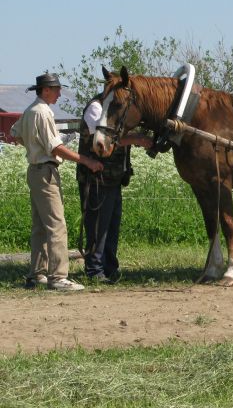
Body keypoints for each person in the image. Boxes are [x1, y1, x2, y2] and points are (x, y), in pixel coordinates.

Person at [10, 73, 103, 291]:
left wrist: (34, 147)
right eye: (57, 89)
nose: (60, 93)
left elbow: (16, 133)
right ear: (46, 90)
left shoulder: (30, 110)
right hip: (46, 171)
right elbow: (54, 148)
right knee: (56, 225)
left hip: (34, 170)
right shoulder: (43, 112)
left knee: (40, 225)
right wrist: (86, 160)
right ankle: (58, 276)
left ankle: (37, 273)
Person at [77, 95, 152, 283]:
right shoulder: (95, 108)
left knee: (110, 227)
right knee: (97, 227)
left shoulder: (111, 110)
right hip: (96, 178)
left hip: (112, 178)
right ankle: (94, 271)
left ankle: (109, 268)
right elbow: (100, 141)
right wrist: (136, 139)